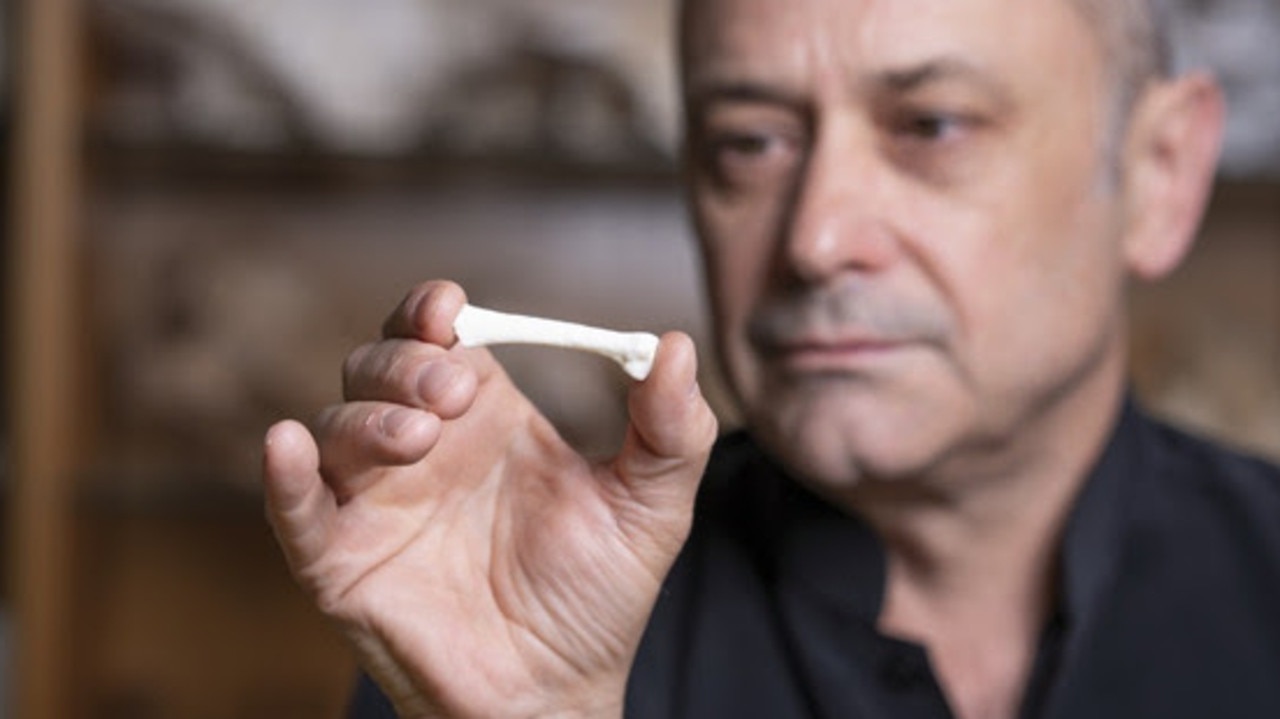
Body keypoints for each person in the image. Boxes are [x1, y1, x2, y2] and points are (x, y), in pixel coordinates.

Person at [262, 0, 1280, 717]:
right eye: (748, 142)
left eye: (930, 125)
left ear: (1157, 174)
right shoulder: (523, 620)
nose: (814, 237)